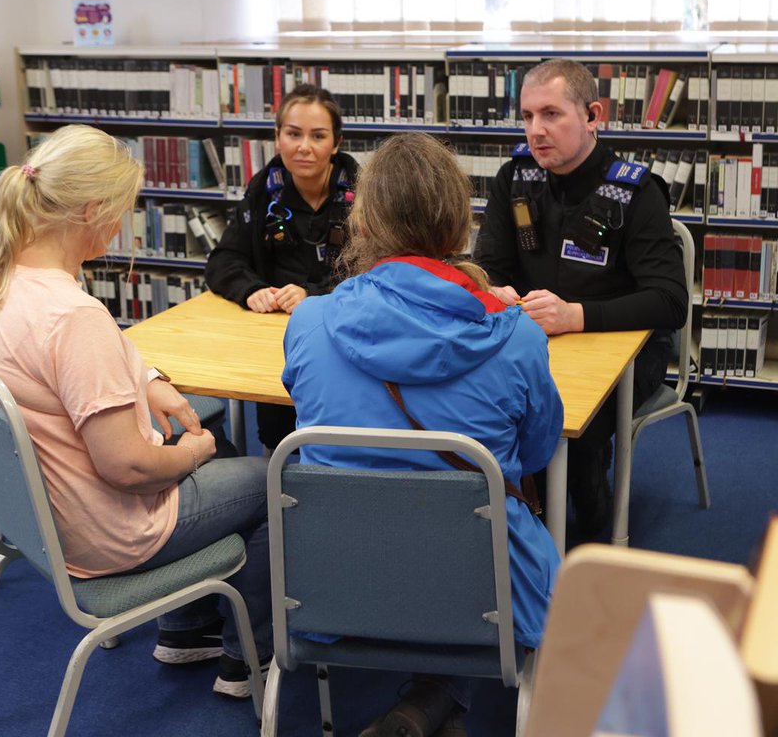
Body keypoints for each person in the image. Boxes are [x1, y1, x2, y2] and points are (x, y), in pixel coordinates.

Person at [0, 125, 272, 699]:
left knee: (214, 443)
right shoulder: (72, 315)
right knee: (273, 481)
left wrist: (147, 381)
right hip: (111, 531)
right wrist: (190, 453)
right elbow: (126, 468)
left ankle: (186, 629)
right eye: (121, 212)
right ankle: (249, 659)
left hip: (42, 522)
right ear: (93, 210)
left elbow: (61, 369)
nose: (122, 226)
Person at [282, 133, 564, 737]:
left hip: (335, 581)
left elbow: (307, 423)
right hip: (483, 591)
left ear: (365, 223)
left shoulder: (309, 323)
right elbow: (538, 454)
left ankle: (423, 699)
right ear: (459, 224)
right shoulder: (516, 337)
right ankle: (449, 697)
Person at [473, 59, 688, 539]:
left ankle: (593, 547)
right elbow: (486, 267)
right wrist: (488, 286)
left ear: (593, 115)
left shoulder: (638, 192)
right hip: (532, 339)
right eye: (527, 117)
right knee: (479, 402)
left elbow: (671, 303)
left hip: (628, 352)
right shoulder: (516, 180)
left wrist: (576, 316)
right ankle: (510, 531)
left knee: (576, 425)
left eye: (551, 114)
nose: (536, 130)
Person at [205, 83, 358, 451]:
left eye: (317, 136)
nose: (304, 147)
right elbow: (223, 260)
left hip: (344, 338)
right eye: (293, 134)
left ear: (336, 143)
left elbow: (377, 273)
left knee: (336, 439)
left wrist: (315, 295)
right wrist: (251, 289)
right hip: (275, 345)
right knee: (278, 440)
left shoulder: (362, 194)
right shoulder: (264, 191)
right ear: (277, 138)